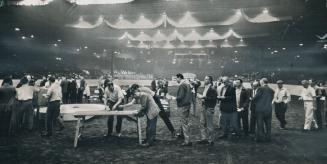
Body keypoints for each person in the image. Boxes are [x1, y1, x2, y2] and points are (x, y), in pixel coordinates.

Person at [196, 75, 217, 146]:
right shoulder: (206, 87)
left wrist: (203, 97)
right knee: (202, 123)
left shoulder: (212, 88)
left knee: (209, 125)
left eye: (207, 79)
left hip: (209, 108)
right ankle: (204, 138)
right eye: (205, 79)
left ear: (210, 80)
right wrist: (202, 97)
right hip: (204, 107)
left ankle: (211, 140)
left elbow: (214, 99)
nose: (205, 80)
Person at [252, 78, 274, 142]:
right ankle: (268, 137)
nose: (260, 83)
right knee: (268, 124)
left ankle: (260, 138)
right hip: (268, 109)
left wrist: (252, 99)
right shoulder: (271, 90)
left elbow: (255, 98)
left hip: (260, 110)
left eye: (260, 82)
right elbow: (271, 99)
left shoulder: (260, 88)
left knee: (260, 124)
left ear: (262, 82)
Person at [175, 73, 193, 146]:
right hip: (187, 104)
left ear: (179, 78)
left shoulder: (182, 85)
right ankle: (183, 136)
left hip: (183, 105)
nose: (176, 80)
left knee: (184, 122)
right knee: (185, 121)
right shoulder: (187, 83)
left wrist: (173, 98)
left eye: (176, 78)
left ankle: (187, 141)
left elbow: (180, 96)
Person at [0, 77, 16, 143]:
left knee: (1, 119)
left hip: (1, 106)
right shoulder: (13, 88)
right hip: (9, 106)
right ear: (10, 81)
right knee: (7, 120)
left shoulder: (1, 88)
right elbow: (14, 97)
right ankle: (6, 134)